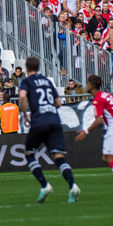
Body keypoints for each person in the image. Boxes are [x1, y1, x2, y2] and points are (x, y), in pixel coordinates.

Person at [18, 56, 79, 203]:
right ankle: (72, 185)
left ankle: (45, 185)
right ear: (39, 68)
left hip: (39, 121)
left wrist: (25, 115)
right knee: (59, 157)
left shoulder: (26, 81)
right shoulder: (47, 81)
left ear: (26, 68)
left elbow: (22, 96)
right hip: (54, 120)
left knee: (29, 154)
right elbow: (58, 103)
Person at [76, 74, 113, 190]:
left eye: (87, 83)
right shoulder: (106, 95)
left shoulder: (98, 99)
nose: (86, 86)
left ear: (91, 85)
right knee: (108, 158)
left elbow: (98, 121)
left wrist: (85, 132)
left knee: (108, 158)